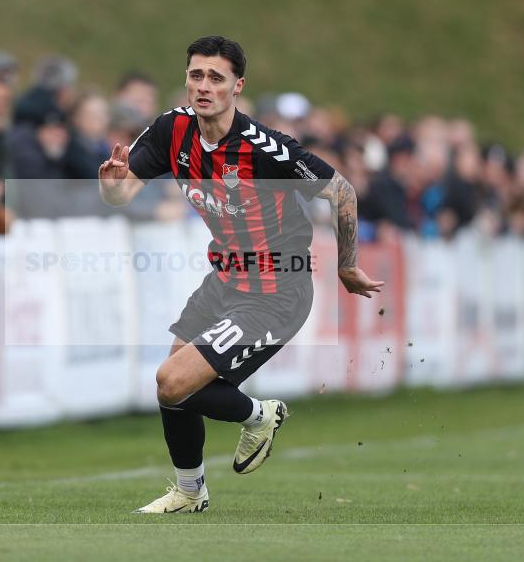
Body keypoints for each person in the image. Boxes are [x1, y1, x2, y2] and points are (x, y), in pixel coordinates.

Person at [98, 36, 383, 513]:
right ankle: (190, 492)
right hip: (225, 279)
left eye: (216, 77)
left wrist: (347, 264)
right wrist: (110, 188)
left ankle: (260, 414)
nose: (203, 86)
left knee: (173, 379)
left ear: (237, 87)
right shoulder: (172, 131)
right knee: (173, 391)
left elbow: (342, 191)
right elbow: (122, 195)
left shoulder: (264, 148)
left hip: (276, 288)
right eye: (196, 75)